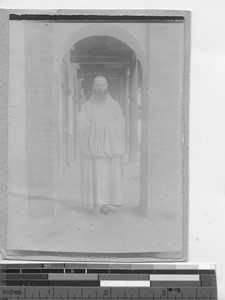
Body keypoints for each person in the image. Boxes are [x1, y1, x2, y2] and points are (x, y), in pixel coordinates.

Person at [77, 76, 126, 215]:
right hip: (94, 149)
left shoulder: (114, 105)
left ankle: (107, 203)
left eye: (102, 85)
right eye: (97, 85)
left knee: (108, 177)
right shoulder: (87, 105)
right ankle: (97, 204)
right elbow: (81, 123)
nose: (100, 88)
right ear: (93, 87)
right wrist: (94, 129)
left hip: (109, 149)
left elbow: (120, 123)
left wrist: (104, 129)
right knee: (96, 177)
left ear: (107, 86)